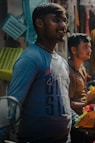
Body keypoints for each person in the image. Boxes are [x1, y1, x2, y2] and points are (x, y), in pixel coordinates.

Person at [0, 3, 77, 143]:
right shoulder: (31, 58)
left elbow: (61, 102)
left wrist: (79, 120)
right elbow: (12, 106)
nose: (62, 25)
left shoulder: (61, 62)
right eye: (56, 20)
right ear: (40, 23)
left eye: (64, 20)